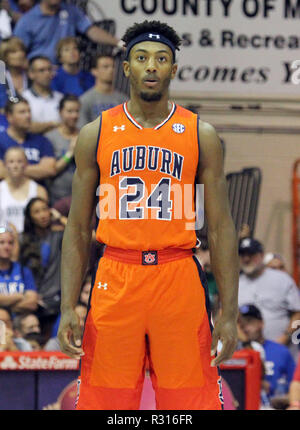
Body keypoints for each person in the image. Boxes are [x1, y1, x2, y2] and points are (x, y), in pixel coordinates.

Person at [58, 20, 239, 410]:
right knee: (105, 405)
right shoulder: (97, 132)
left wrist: (228, 311)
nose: (151, 66)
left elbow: (222, 229)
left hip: (177, 277)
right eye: (141, 58)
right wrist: (67, 305)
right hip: (115, 275)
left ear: (174, 69)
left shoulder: (199, 133)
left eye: (161, 59)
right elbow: (76, 227)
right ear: (127, 68)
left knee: (190, 405)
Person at [13, 0, 122, 64]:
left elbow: (91, 30)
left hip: (68, 69)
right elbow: (15, 52)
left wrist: (119, 43)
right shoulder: (26, 21)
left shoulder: (71, 11)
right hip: (41, 73)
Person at [238, 237, 300, 348]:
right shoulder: (235, 284)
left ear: (261, 255)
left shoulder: (282, 279)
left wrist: (285, 337)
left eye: (251, 254)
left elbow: (298, 313)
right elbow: (225, 317)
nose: (246, 259)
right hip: (246, 351)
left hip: (282, 348)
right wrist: (246, 342)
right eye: (242, 255)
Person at [19, 197, 65, 337]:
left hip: (56, 301)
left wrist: (60, 217)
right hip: (33, 302)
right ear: (30, 217)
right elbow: (18, 269)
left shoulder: (58, 236)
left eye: (45, 209)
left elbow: (87, 235)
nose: (43, 214)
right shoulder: (22, 240)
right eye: (37, 211)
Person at [238, 304, 296, 402]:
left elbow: (296, 385)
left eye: (249, 322)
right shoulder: (235, 353)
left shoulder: (281, 351)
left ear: (261, 323)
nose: (245, 328)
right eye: (241, 324)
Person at [0, 97, 56, 181]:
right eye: (22, 112)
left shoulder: (41, 140)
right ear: (9, 116)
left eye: (29, 111)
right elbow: (1, 172)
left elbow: (49, 169)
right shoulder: (1, 140)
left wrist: (13, 169)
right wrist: (36, 170)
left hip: (37, 192)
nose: (28, 115)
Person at [0, 147, 48, 232]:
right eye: (11, 162)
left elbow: (45, 220)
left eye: (19, 161)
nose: (15, 166)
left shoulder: (39, 190)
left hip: (32, 240)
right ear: (5, 165)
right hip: (5, 240)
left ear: (26, 164)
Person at [45, 94, 79, 205]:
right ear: (60, 112)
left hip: (81, 197)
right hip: (58, 198)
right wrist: (70, 153)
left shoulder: (85, 134)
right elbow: (51, 170)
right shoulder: (50, 137)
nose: (74, 115)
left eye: (77, 111)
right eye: (69, 111)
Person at [78, 54, 128, 128]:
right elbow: (82, 128)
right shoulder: (85, 100)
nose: (111, 70)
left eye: (113, 67)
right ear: (94, 71)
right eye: (105, 67)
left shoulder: (124, 100)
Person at [0, 225, 38, 314]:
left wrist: (4, 305)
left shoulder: (23, 270)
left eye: (10, 243)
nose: (7, 247)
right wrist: (19, 296)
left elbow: (32, 303)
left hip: (19, 321)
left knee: (31, 321)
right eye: (1, 242)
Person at [22, 56, 63, 124]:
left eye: (49, 69)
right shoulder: (24, 98)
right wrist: (54, 124)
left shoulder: (61, 98)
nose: (47, 73)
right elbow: (25, 127)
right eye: (41, 70)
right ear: (31, 74)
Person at [0, 36, 29, 111]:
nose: (20, 54)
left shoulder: (31, 75)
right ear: (5, 56)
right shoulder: (1, 76)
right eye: (14, 52)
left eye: (22, 50)